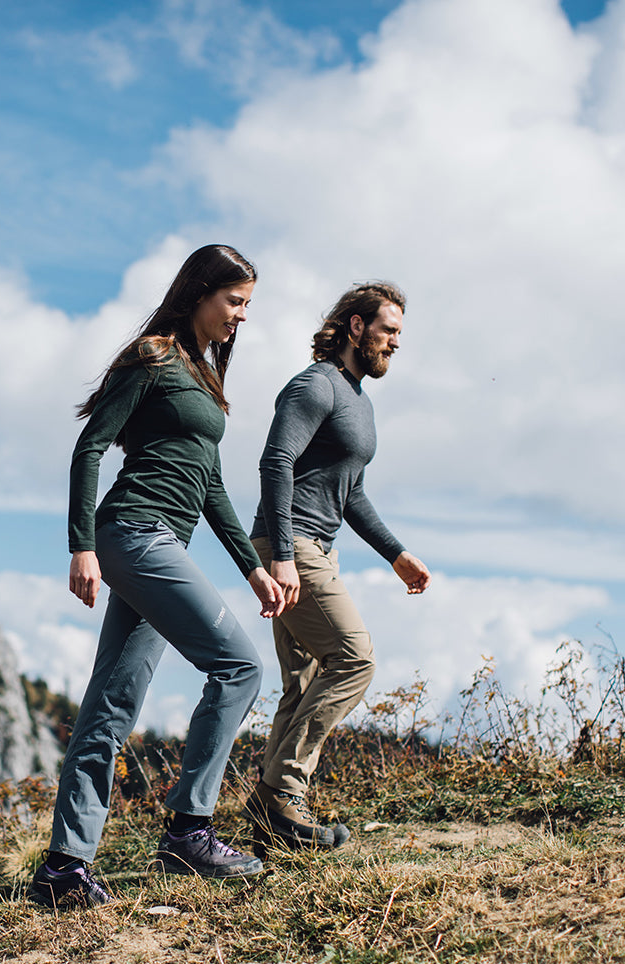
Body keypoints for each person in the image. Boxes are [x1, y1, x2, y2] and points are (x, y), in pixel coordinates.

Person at [29, 245, 285, 909]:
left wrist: (252, 569)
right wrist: (81, 545)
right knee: (239, 666)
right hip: (132, 534)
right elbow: (89, 449)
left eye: (247, 306)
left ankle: (64, 869)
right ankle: (189, 830)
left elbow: (211, 485)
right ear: (200, 292)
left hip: (158, 541)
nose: (241, 317)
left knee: (109, 706)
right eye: (234, 301)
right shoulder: (154, 357)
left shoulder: (201, 374)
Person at [242, 281, 431, 854]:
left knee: (301, 683)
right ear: (356, 326)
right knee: (353, 658)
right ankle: (283, 789)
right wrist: (280, 555)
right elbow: (276, 461)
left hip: (315, 545)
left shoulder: (359, 402)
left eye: (400, 333)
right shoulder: (315, 386)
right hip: (289, 543)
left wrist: (395, 553)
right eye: (389, 330)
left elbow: (350, 496)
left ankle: (270, 820)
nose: (396, 343)